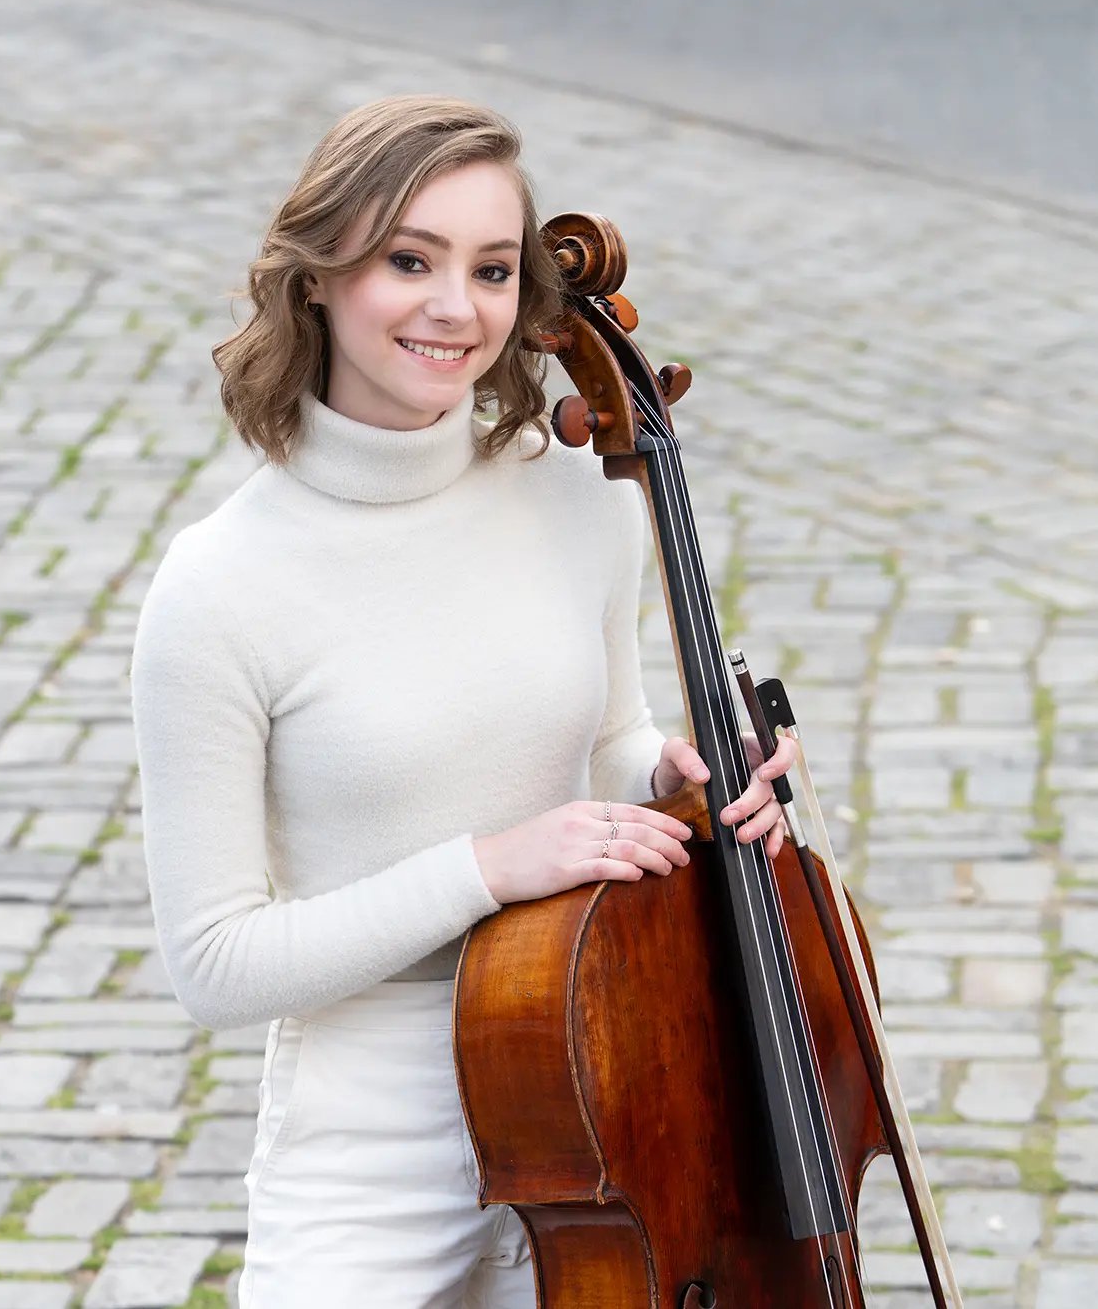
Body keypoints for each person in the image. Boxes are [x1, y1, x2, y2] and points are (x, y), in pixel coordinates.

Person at [129, 95, 793, 1309]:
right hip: (367, 1141)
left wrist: (680, 775)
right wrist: (488, 865)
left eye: (492, 268)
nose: (456, 307)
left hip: (613, 1078)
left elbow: (608, 737)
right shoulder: (220, 588)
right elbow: (215, 961)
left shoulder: (578, 494)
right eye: (408, 258)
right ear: (319, 274)